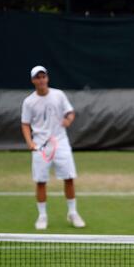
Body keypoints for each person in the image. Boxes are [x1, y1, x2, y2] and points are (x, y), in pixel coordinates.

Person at [21, 66, 85, 230]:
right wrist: (30, 143)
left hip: (61, 142)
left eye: (43, 77)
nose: (41, 80)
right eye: (38, 77)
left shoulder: (59, 95)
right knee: (41, 181)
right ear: (33, 80)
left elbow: (70, 113)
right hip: (41, 146)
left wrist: (68, 120)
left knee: (69, 178)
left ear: (47, 78)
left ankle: (72, 213)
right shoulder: (29, 102)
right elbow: (25, 124)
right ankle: (42, 216)